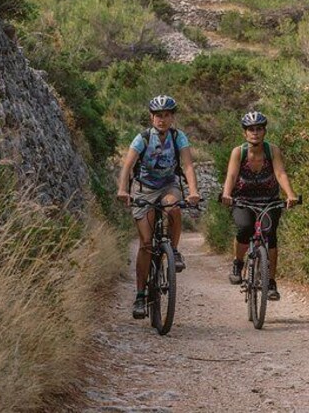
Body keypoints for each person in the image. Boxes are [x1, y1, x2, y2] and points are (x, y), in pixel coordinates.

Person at [117, 95, 201, 320]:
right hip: (143, 189)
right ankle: (141, 295)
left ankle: (172, 250)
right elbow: (128, 165)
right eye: (158, 116)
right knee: (146, 244)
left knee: (173, 207)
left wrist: (193, 191)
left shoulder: (178, 137)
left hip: (168, 185)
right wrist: (123, 190)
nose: (162, 120)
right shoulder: (143, 138)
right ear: (151, 117)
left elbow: (188, 165)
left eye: (166, 115)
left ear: (172, 117)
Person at [220, 111, 299, 301]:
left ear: (264, 132)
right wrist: (227, 194)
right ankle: (238, 264)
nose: (255, 132)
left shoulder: (272, 151)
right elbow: (231, 175)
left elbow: (280, 174)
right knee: (245, 228)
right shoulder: (239, 152)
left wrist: (290, 194)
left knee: (270, 235)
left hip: (269, 201)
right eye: (250, 129)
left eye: (259, 129)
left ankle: (270, 282)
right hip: (243, 200)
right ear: (245, 133)